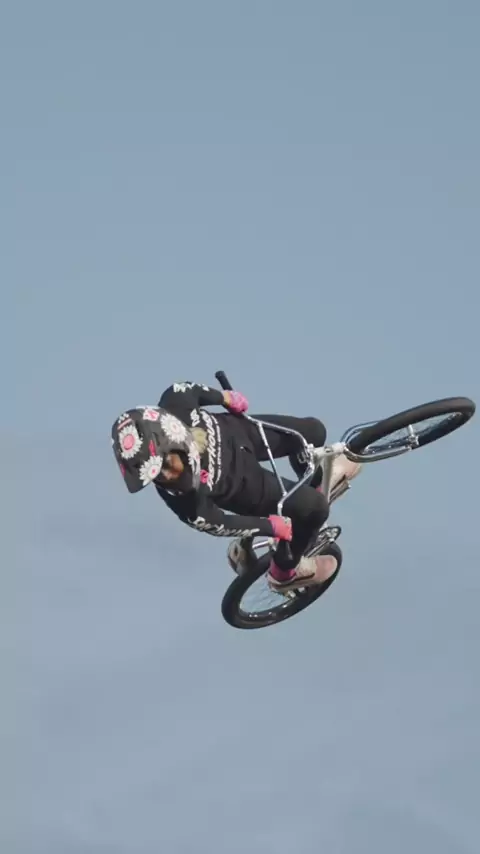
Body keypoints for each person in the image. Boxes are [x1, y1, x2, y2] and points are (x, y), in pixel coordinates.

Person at [111, 381, 361, 592]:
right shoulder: (183, 497)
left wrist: (225, 398)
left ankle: (317, 483)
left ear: (172, 434)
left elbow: (189, 390)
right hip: (247, 487)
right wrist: (270, 526)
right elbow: (218, 523)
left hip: (243, 434)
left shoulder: (176, 402)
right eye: (157, 474)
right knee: (316, 508)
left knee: (314, 431)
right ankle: (285, 572)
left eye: (165, 465)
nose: (166, 476)